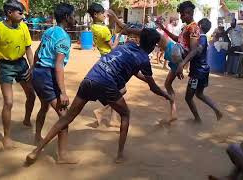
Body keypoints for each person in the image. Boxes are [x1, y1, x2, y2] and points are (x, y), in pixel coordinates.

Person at [26, 28, 172, 165]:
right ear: (153, 46)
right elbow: (152, 86)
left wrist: (149, 81)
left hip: (90, 78)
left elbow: (134, 71)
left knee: (67, 118)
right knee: (126, 114)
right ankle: (120, 155)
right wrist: (166, 96)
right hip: (106, 83)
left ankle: (36, 151)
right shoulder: (144, 59)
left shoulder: (126, 46)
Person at [32, 3, 78, 164]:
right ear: (66, 17)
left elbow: (37, 52)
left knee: (44, 106)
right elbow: (58, 65)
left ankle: (37, 136)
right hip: (47, 75)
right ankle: (62, 156)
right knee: (64, 117)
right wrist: (63, 92)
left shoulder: (49, 31)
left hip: (38, 72)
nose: (75, 18)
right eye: (73, 15)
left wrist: (33, 71)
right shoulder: (63, 37)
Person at [0, 0, 36, 149]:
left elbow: (28, 48)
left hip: (21, 64)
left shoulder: (23, 27)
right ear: (9, 13)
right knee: (8, 102)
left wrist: (32, 66)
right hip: (5, 66)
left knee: (31, 95)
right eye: (20, 13)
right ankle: (6, 136)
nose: (23, 16)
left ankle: (27, 120)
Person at [156, 0, 200, 124]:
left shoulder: (194, 28)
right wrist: (164, 28)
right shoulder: (187, 27)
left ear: (189, 13)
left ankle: (174, 112)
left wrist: (182, 64)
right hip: (176, 56)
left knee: (154, 36)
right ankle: (173, 112)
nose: (180, 17)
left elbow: (194, 49)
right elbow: (178, 39)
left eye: (182, 14)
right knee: (167, 84)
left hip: (178, 57)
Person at [176, 18, 223, 123]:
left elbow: (198, 50)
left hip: (197, 73)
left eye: (197, 25)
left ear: (200, 26)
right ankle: (217, 110)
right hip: (203, 70)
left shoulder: (201, 38)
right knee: (199, 94)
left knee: (188, 98)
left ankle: (197, 119)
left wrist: (184, 61)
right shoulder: (202, 38)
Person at [87, 4, 121, 128]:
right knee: (121, 90)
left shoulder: (95, 27)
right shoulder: (103, 30)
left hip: (103, 57)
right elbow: (113, 47)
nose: (104, 15)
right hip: (111, 59)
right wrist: (119, 35)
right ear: (96, 15)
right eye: (102, 13)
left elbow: (108, 29)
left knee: (116, 89)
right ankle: (101, 111)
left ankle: (113, 118)